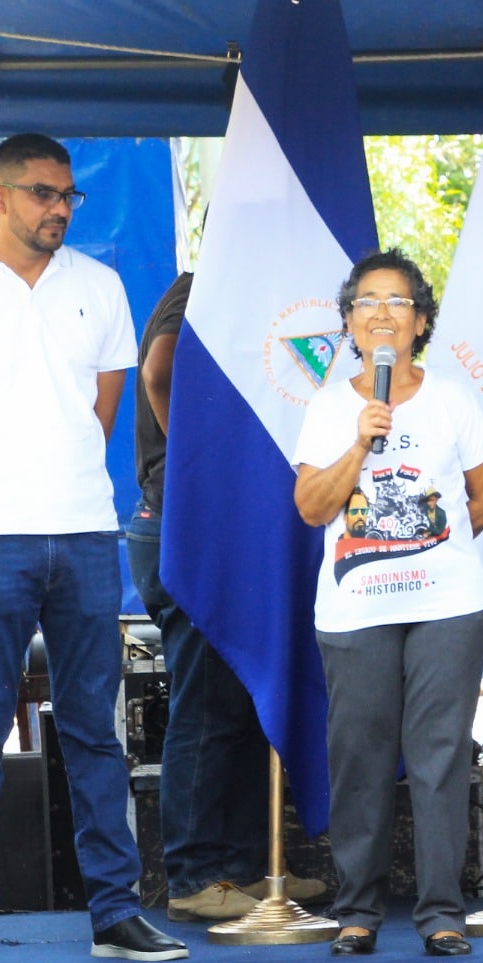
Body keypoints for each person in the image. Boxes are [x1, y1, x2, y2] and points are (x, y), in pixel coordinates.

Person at [0, 133, 188, 963]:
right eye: (42, 193)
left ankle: (115, 913)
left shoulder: (98, 286)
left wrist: (50, 469)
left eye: (67, 195)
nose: (59, 208)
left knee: (96, 732)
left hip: (86, 535)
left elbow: (102, 410)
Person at [293, 248, 483, 958]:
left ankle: (442, 912)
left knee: (440, 755)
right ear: (350, 322)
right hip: (356, 612)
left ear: (420, 322)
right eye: (367, 302)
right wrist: (359, 444)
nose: (382, 314)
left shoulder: (452, 399)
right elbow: (312, 507)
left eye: (397, 302)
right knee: (360, 756)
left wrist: (431, 551)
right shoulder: (330, 407)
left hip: (447, 606)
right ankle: (357, 910)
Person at [126, 271, 327, 922]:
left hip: (232, 532)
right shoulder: (204, 286)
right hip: (191, 529)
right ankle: (193, 875)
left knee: (244, 702)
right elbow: (159, 370)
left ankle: (243, 869)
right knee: (209, 706)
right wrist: (200, 470)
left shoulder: (246, 288)